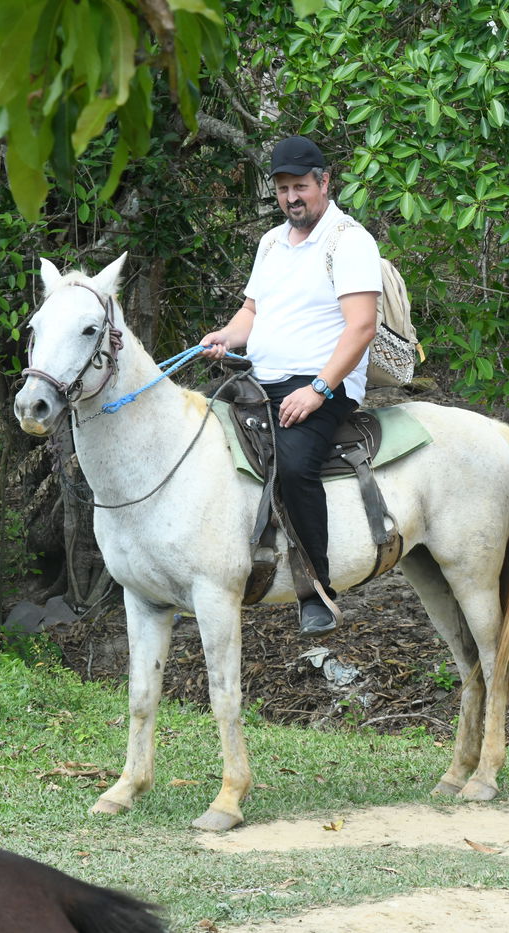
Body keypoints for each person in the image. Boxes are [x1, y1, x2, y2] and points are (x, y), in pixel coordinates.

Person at [200, 135, 380, 636]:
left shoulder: (350, 241)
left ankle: (316, 589)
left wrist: (319, 389)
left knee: (295, 464)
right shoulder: (272, 242)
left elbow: (361, 326)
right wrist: (225, 336)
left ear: (325, 182)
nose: (291, 197)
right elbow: (251, 312)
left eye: (300, 186)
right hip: (262, 380)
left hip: (321, 383)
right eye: (282, 189)